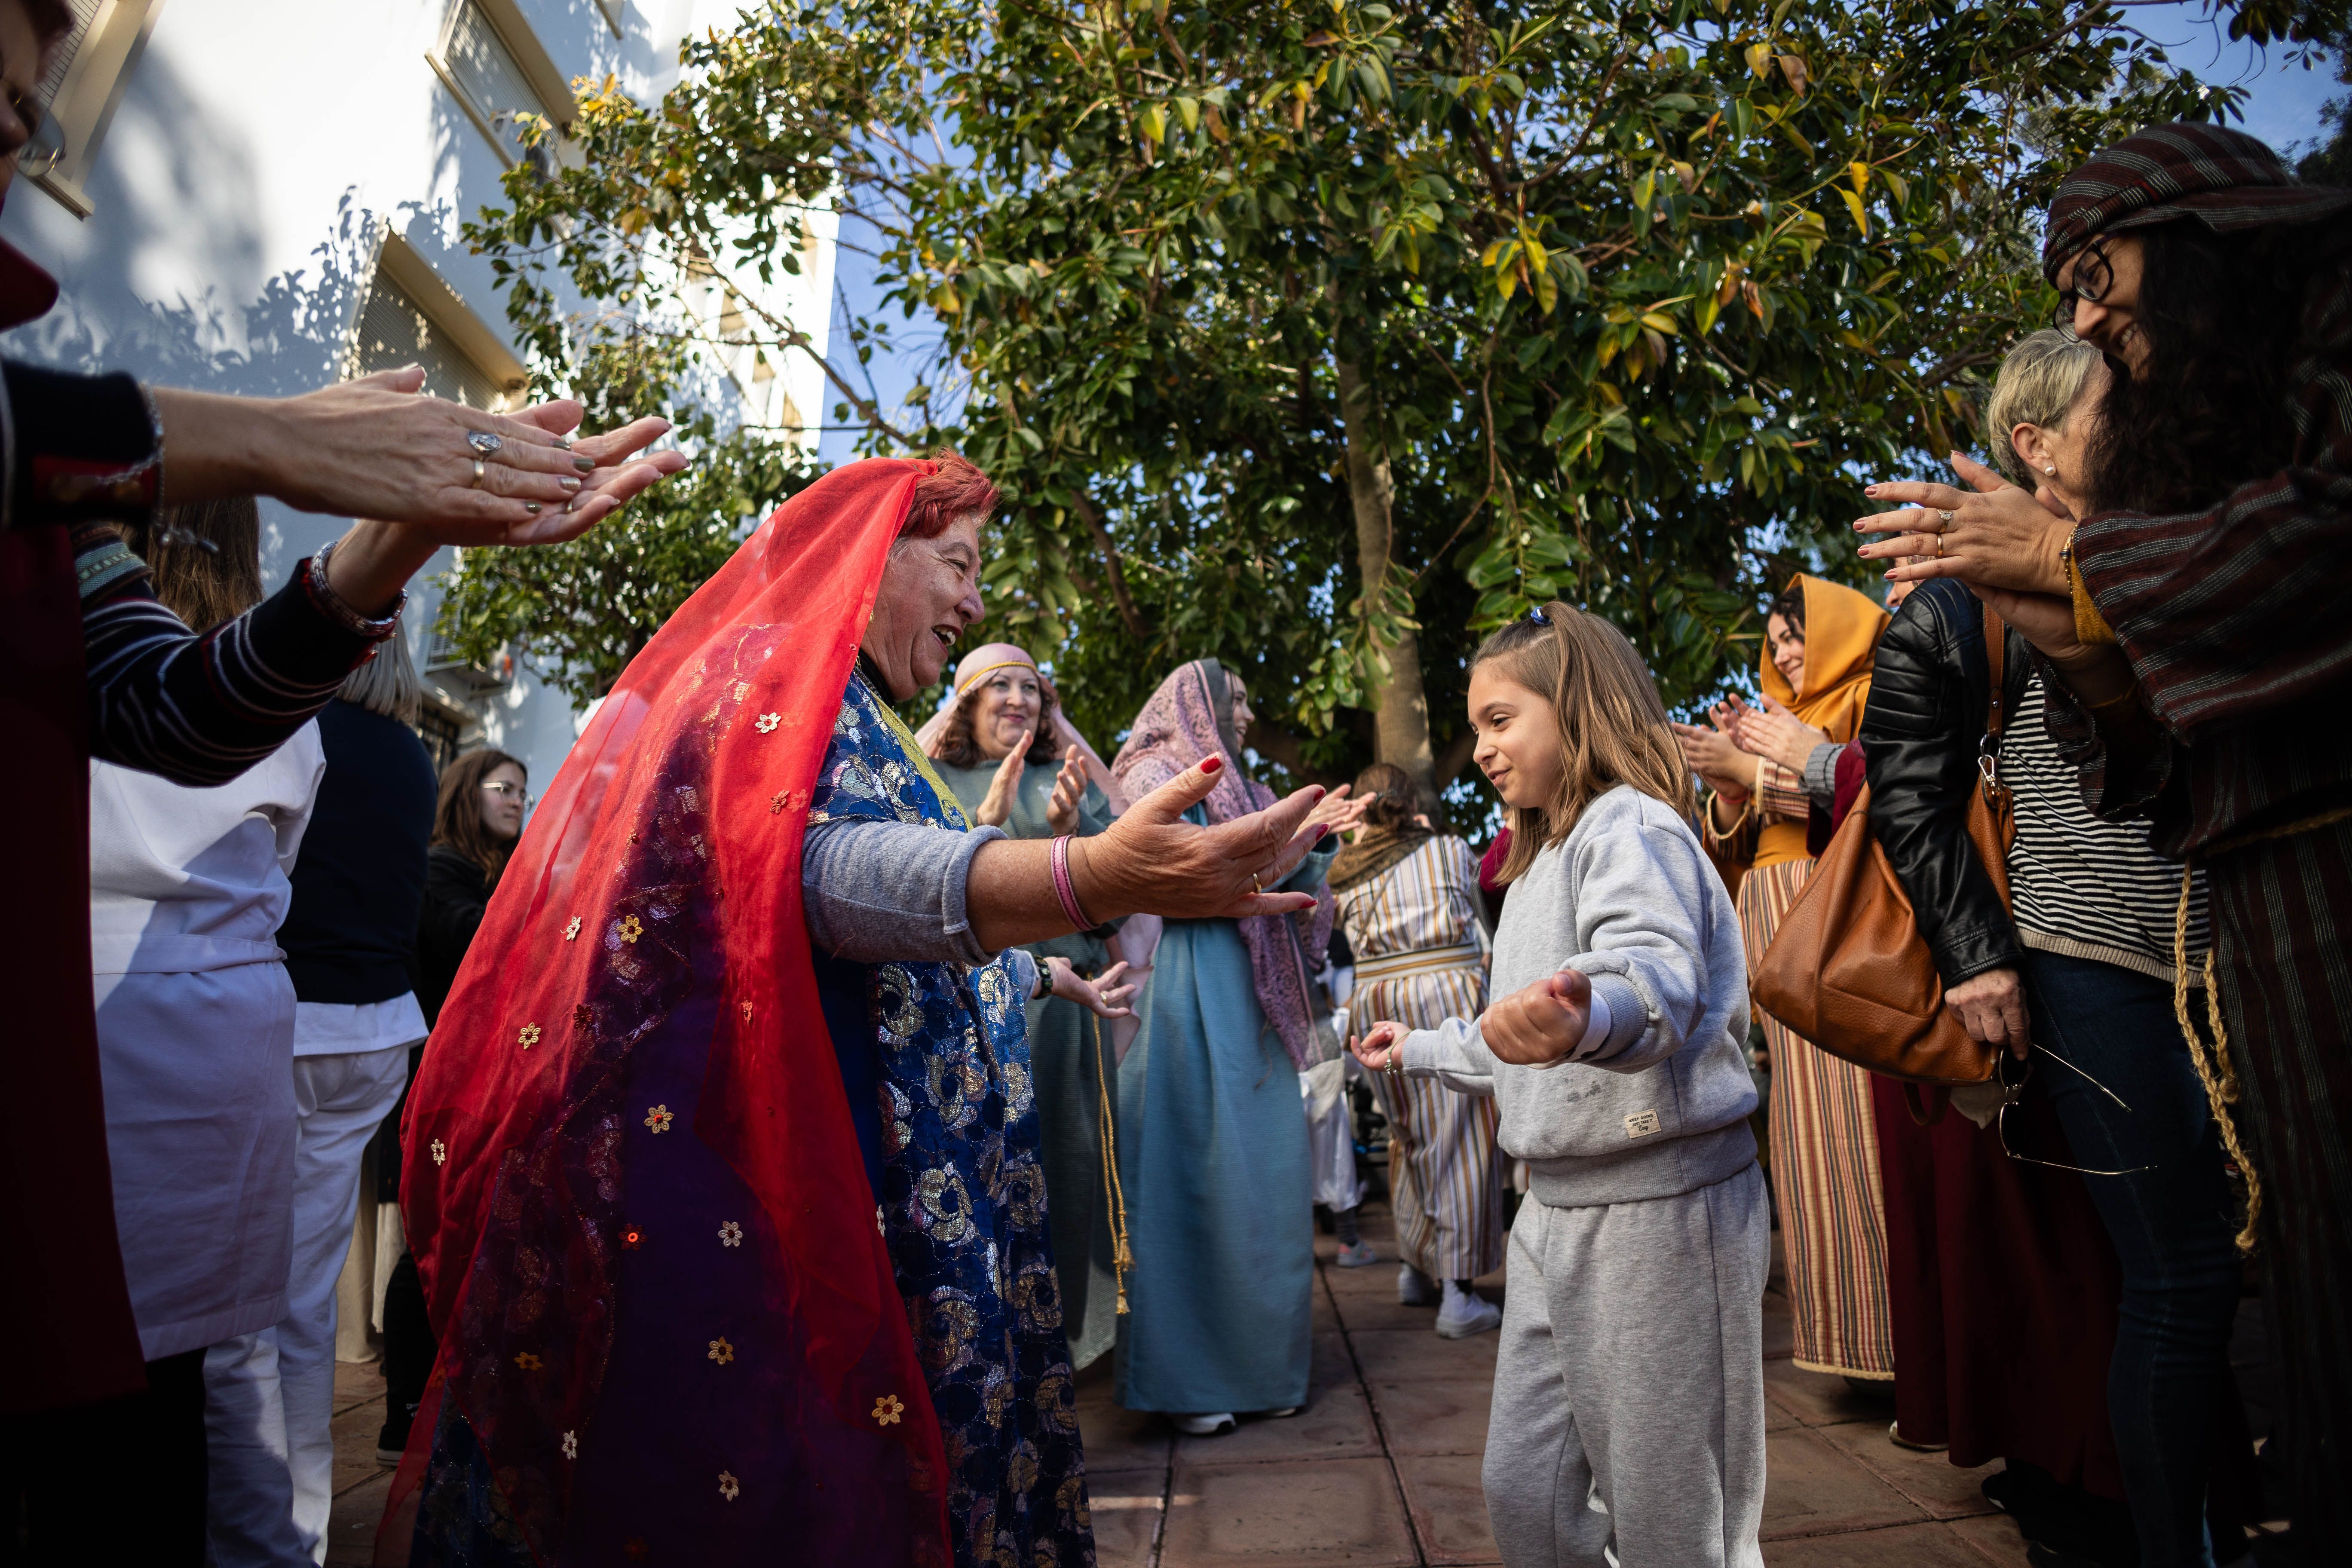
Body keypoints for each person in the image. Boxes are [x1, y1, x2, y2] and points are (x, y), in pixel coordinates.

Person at [394, 455, 1336, 1568]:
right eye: (959, 564)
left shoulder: (858, 715)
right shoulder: (771, 691)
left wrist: (1051, 958)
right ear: (867, 554)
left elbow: (917, 949)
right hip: (771, 1217)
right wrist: (1092, 879)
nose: (977, 603)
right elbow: (826, 872)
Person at [0, 0, 685, 1442]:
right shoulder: (55, 443)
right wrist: (277, 435)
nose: (24, 131)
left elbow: (174, 710)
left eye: (39, 105)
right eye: (5, 90)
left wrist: (387, 542)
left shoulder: (68, 502)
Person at [1856, 122, 2352, 1551]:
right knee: (2190, 1275)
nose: (2087, 323)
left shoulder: (2195, 482)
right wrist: (1975, 954)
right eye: (2066, 301)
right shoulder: (1959, 589)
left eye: (2095, 278)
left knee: (2218, 1273)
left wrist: (2082, 578)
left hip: (2212, 937)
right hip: (2097, 956)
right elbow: (1921, 778)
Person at [1352, 605, 1765, 1568]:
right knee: (1525, 1491)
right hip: (1551, 1210)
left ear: (1576, 709)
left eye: (1502, 720)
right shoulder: (1533, 862)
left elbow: (1648, 976)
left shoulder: (1633, 829)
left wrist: (1591, 1018)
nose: (1484, 748)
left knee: (1673, 1513)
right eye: (1476, 726)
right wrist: (1417, 1047)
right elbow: (1515, 1034)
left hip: (1663, 1211)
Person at [76, 498, 327, 1564]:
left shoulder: (71, 675)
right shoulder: (285, 708)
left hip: (88, 1017)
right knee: (207, 1354)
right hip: (226, 1036)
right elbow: (282, 869)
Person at [196, 598, 439, 1565]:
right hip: (372, 1031)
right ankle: (293, 1526)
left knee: (239, 1305)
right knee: (298, 1297)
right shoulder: (413, 756)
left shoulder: (295, 730)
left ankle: (266, 1534)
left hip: (287, 1024)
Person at [1106, 660, 1359, 1437]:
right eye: (1236, 699)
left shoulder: (1245, 787)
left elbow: (1285, 887)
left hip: (1258, 1000)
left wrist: (1316, 851)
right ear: (1196, 701)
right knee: (1194, 1174)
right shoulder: (1156, 772)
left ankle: (1262, 1370)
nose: (1246, 714)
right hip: (1192, 987)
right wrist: (1297, 841)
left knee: (1265, 1183)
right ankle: (1186, 1384)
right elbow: (1189, 875)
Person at [1675, 575, 1896, 1390]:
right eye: (1774, 643)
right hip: (1781, 950)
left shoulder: (1876, 693)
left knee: (1864, 1141)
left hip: (1845, 940)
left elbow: (1871, 794)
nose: (1786, 652)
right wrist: (1733, 783)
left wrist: (1754, 766)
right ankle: (1853, 1348)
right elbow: (1736, 853)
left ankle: (1904, 1351)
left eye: (1798, 635)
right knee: (1809, 1149)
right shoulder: (1779, 721)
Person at [920, 643, 1131, 1369]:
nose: (1019, 699)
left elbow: (1112, 915)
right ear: (965, 702)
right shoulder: (928, 779)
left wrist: (1075, 838)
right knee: (984, 1173)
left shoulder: (1065, 780)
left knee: (1067, 1166)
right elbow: (917, 900)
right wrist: (986, 821)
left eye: (1032, 689)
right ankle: (985, 1346)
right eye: (998, 686)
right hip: (970, 1010)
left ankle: (1070, 1346)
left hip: (1067, 1011)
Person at [369, 747, 527, 1467]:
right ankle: (401, 1416)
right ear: (468, 792)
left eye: (524, 791)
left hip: (497, 1086)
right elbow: (474, 943)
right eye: (504, 788)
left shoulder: (508, 872)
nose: (517, 800)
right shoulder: (444, 870)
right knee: (426, 1244)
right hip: (440, 1087)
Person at [1329, 762, 1507, 1338]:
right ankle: (1458, 1294)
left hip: (1372, 997)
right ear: (1411, 804)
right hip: (1444, 991)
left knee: (1408, 1136)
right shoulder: (1450, 850)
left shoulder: (1342, 869)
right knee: (1461, 1136)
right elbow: (1482, 918)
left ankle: (1415, 1268)